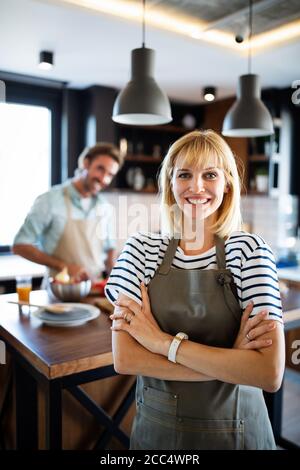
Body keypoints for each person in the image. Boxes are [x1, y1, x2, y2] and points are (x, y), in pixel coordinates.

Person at [105, 130, 285, 450]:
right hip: (156, 437)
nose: (196, 187)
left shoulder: (249, 250)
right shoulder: (140, 249)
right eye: (184, 174)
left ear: (227, 183)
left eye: (210, 174)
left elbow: (268, 373)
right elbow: (126, 358)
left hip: (237, 433)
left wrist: (159, 343)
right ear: (170, 184)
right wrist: (233, 363)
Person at [13, 142, 123, 280]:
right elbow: (20, 245)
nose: (104, 179)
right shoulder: (50, 200)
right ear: (86, 163)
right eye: (100, 169)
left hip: (94, 289)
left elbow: (109, 251)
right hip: (59, 290)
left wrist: (118, 281)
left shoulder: (105, 207)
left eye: (110, 174)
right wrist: (62, 266)